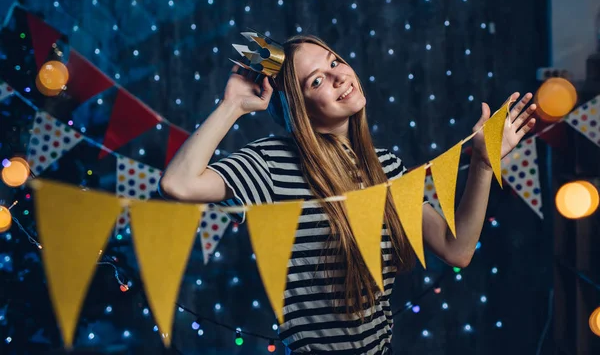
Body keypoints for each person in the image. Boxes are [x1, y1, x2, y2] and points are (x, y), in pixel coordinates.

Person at [159, 35, 537, 354]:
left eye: (334, 62)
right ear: (299, 108)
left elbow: (458, 250)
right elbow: (179, 183)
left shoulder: (386, 167)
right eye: (317, 82)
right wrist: (233, 106)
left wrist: (484, 164)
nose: (339, 77)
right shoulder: (273, 163)